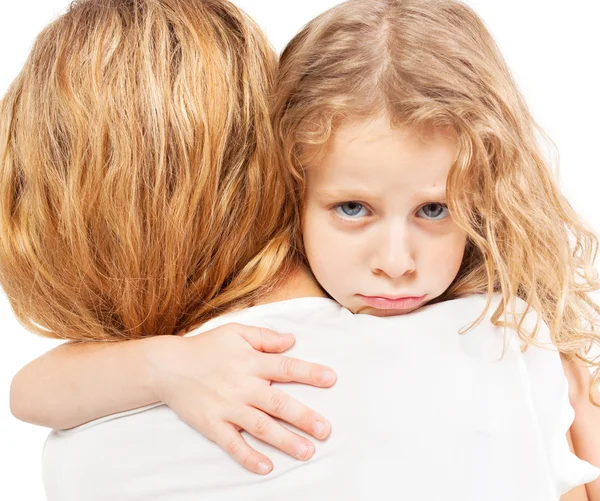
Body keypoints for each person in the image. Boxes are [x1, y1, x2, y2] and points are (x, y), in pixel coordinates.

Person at [3, 0, 599, 499]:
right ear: (287, 188)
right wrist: (164, 367)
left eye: (434, 210)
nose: (397, 261)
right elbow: (25, 393)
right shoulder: (516, 352)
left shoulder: (87, 453)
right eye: (352, 209)